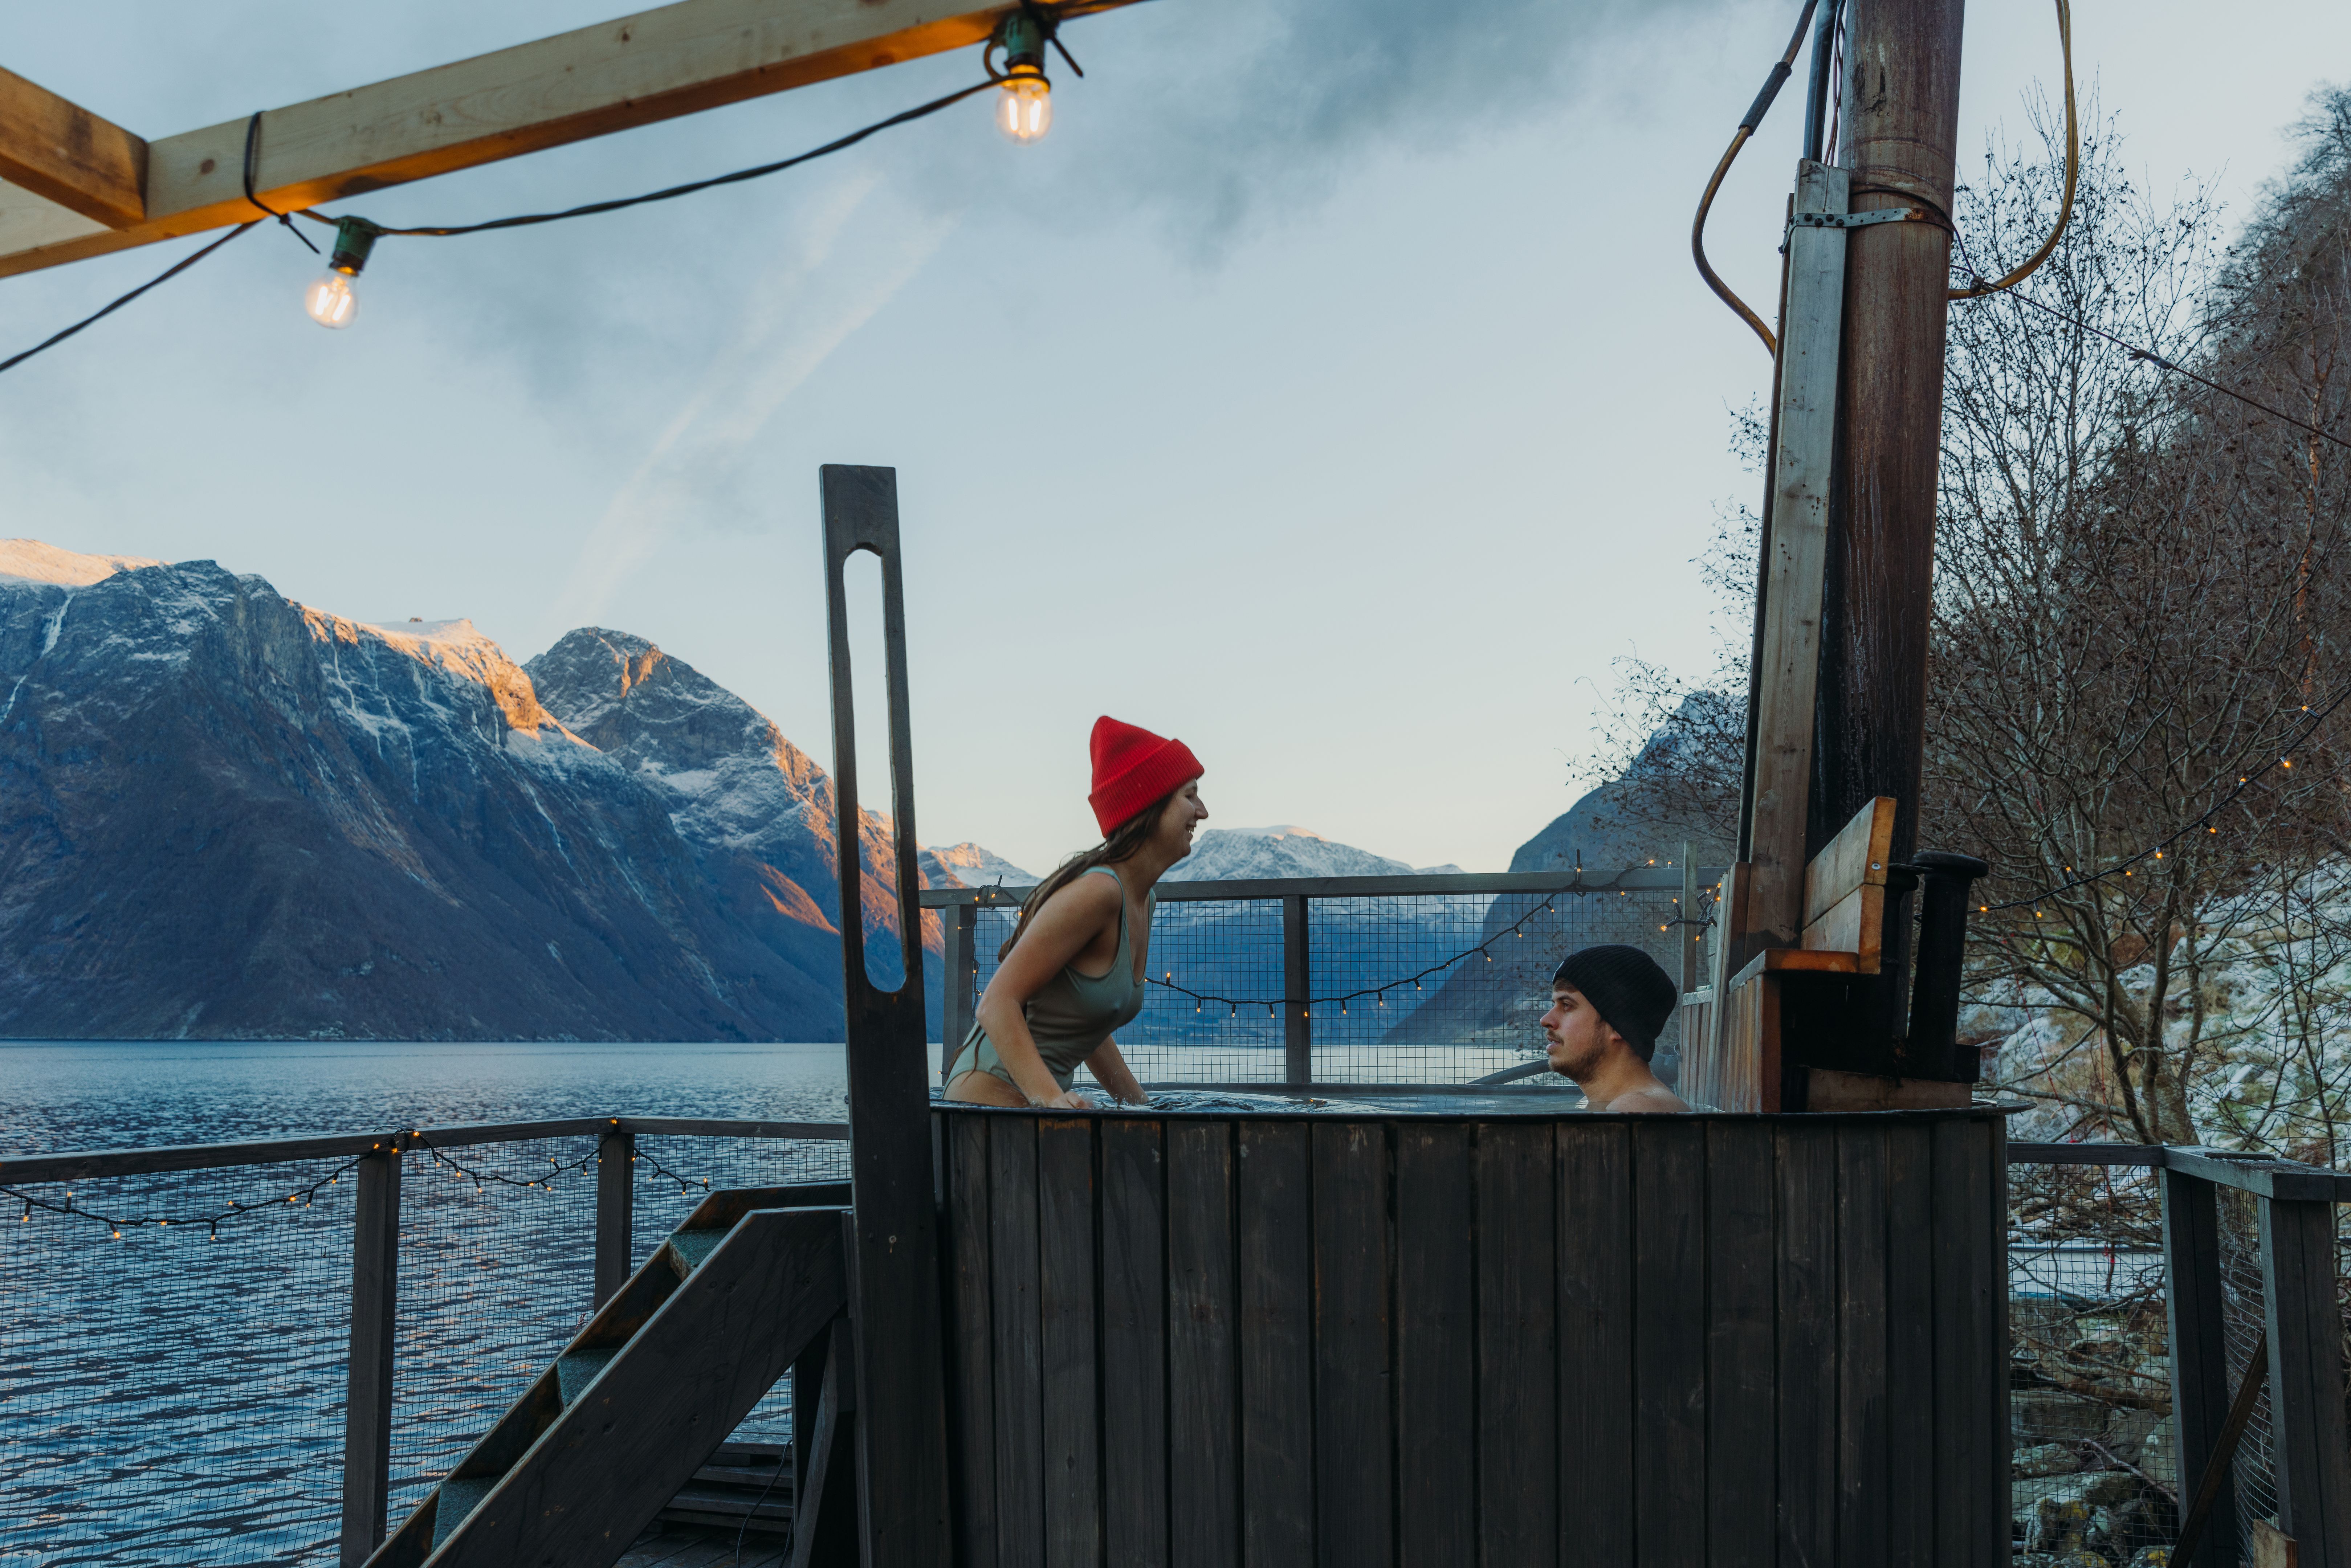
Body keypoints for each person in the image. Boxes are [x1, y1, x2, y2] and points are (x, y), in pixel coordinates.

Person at [944, 716, 1207, 1109]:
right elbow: (995, 1003)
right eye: (1190, 796)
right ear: (1150, 806)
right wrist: (1050, 1100)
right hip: (987, 1103)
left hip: (1030, 1105)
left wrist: (1141, 1110)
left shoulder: (1141, 898)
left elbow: (1089, 1023)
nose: (1202, 811)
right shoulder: (1099, 893)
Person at [1539, 944, 1689, 1112]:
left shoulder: (1637, 1108)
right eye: (1554, 1004)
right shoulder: (1602, 1104)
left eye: (1567, 1005)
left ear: (1617, 1026)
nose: (1545, 1020)